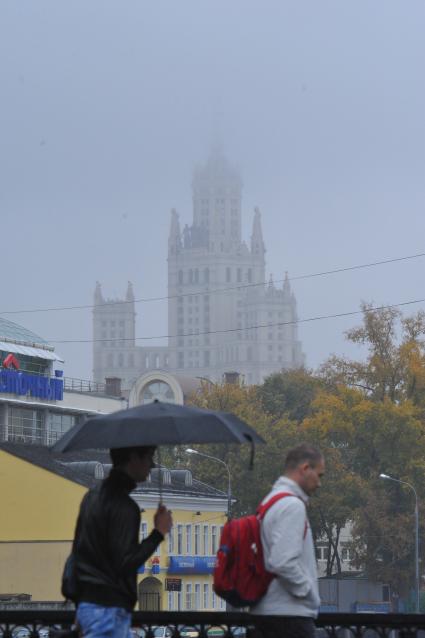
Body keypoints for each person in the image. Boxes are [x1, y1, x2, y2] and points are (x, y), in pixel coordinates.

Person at [72, 445, 173, 638]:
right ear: (133, 458)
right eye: (149, 457)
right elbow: (125, 562)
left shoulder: (91, 497)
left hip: (88, 604)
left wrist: (80, 602)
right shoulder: (125, 507)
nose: (152, 465)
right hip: (110, 608)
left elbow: (78, 553)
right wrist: (158, 533)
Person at [251, 443, 325, 638]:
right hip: (289, 617)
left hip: (271, 614)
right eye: (319, 475)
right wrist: (309, 593)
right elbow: (282, 562)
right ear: (305, 469)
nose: (319, 483)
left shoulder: (270, 501)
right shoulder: (292, 505)